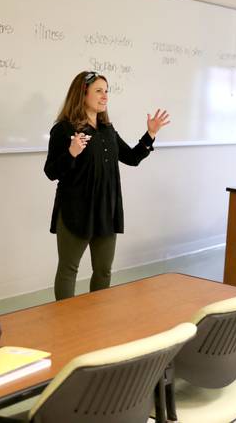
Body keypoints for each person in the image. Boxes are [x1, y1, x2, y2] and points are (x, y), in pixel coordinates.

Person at [44, 70, 170, 300]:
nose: (105, 97)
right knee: (68, 269)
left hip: (106, 210)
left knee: (103, 270)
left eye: (106, 91)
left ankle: (98, 320)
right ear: (82, 94)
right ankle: (63, 322)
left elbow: (131, 158)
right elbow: (51, 172)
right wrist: (71, 153)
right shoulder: (63, 129)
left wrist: (150, 134)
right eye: (99, 91)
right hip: (75, 211)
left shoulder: (107, 130)